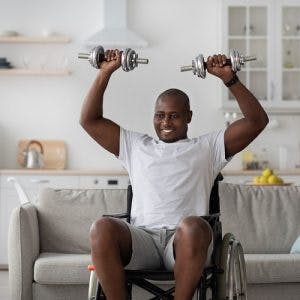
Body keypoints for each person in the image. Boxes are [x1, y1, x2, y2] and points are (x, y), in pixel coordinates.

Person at [80, 49, 268, 300]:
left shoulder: (207, 148)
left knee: (193, 225)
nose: (166, 122)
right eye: (160, 115)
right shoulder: (135, 146)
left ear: (189, 117)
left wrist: (228, 79)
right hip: (142, 240)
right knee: (101, 227)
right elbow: (89, 120)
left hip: (183, 244)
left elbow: (257, 121)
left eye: (174, 116)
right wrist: (105, 72)